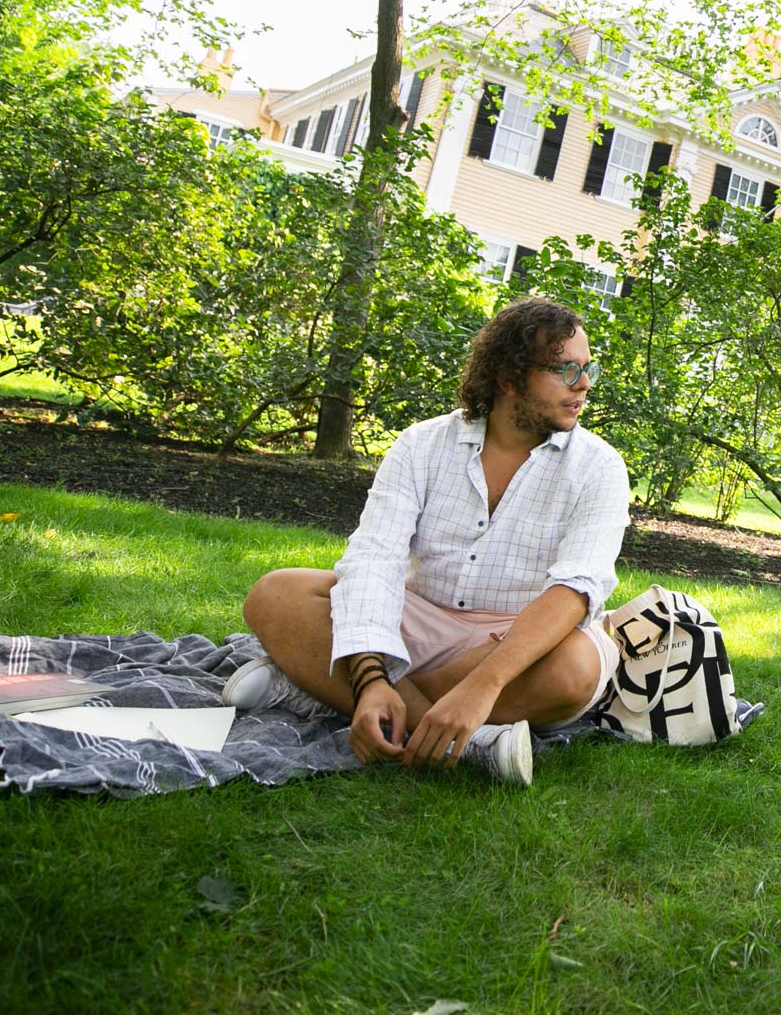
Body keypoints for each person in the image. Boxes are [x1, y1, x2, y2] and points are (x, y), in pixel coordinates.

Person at [223, 297, 629, 785]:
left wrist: (483, 685)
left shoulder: (600, 466)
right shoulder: (422, 444)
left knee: (577, 668)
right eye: (564, 369)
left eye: (587, 368)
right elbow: (375, 557)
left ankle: (317, 693)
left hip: (521, 636)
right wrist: (373, 676)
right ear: (508, 378)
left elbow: (576, 591)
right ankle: (464, 740)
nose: (583, 384)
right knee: (277, 593)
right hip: (417, 618)